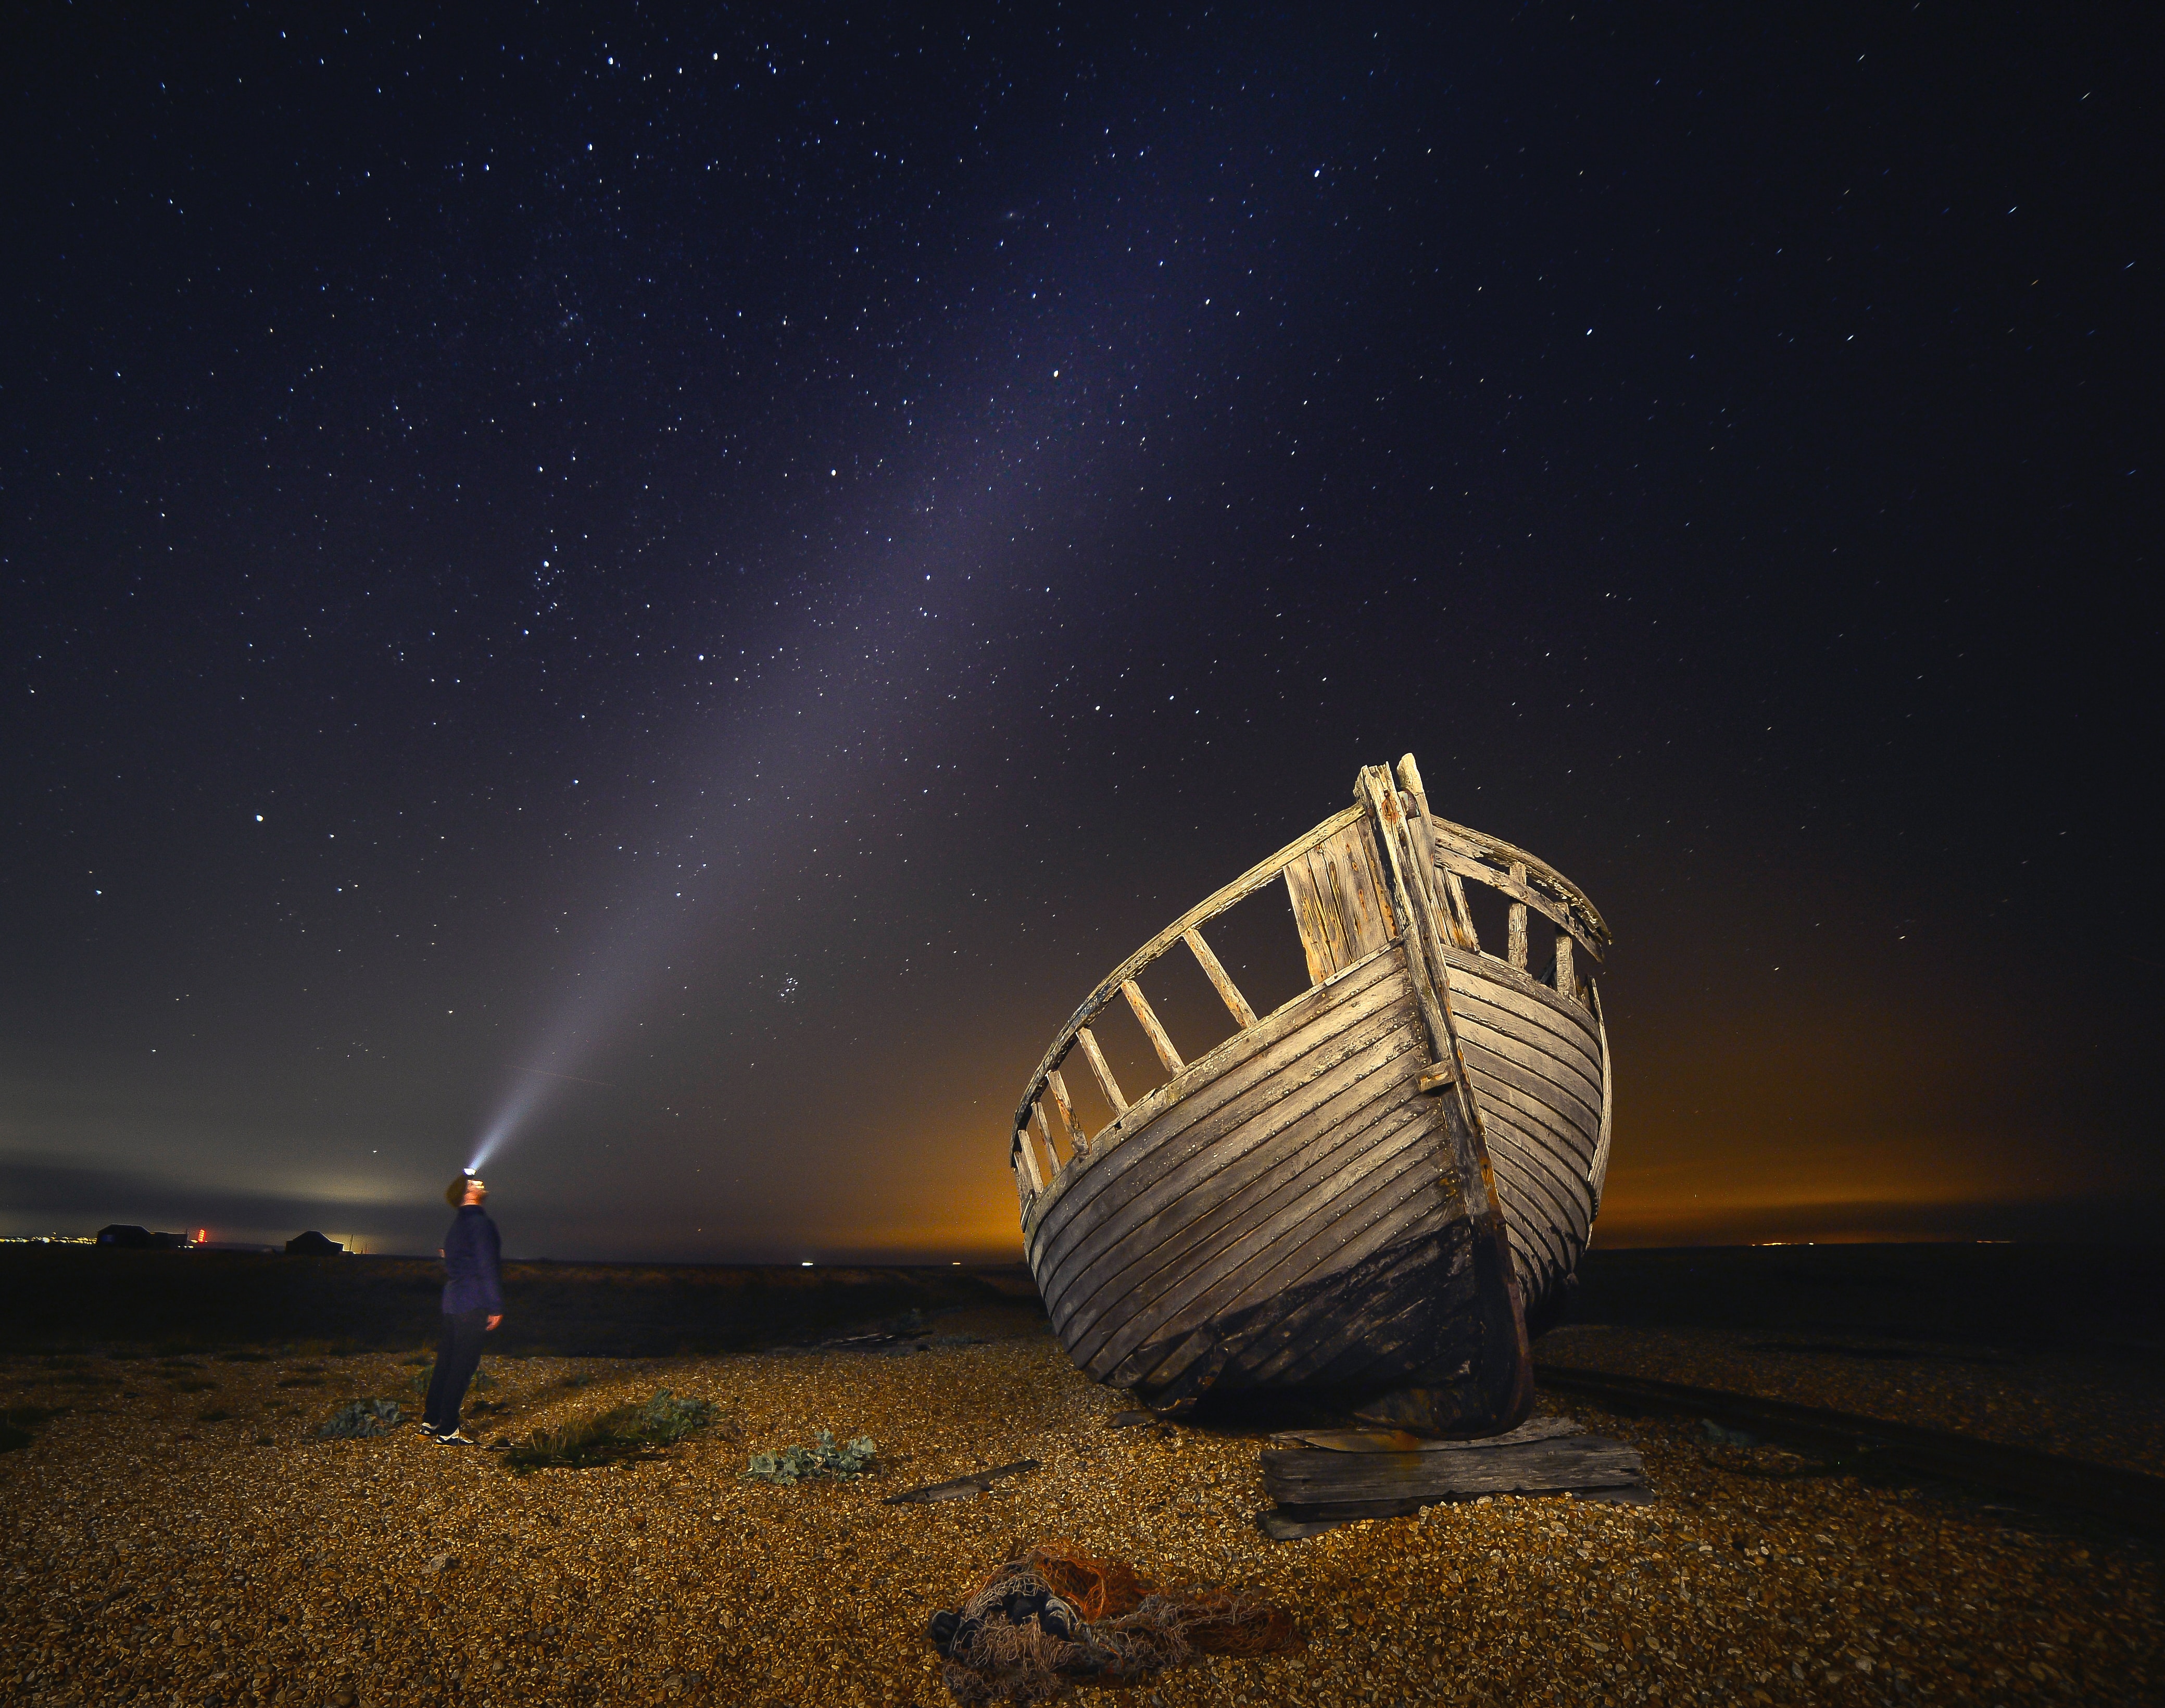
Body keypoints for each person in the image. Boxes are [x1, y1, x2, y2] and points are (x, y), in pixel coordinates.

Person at [420, 1172, 503, 1446]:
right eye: (473, 1182)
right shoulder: (480, 1224)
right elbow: (487, 1267)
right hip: (473, 1302)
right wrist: (495, 1305)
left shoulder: (457, 1226)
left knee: (446, 1362)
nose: (479, 1182)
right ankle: (448, 1430)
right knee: (462, 1366)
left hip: (454, 1301)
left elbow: (453, 1261)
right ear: (465, 1193)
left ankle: (431, 1420)